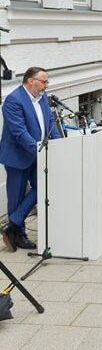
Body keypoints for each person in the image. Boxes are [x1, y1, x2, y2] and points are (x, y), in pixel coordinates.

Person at [0, 67, 61, 251]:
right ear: (30, 81)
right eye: (43, 82)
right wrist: (38, 149)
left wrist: (58, 143)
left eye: (46, 82)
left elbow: (50, 121)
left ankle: (13, 224)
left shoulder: (42, 98)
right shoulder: (13, 100)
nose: (46, 85)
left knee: (42, 187)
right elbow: (19, 132)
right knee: (16, 197)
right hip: (18, 156)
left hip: (37, 153)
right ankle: (19, 234)